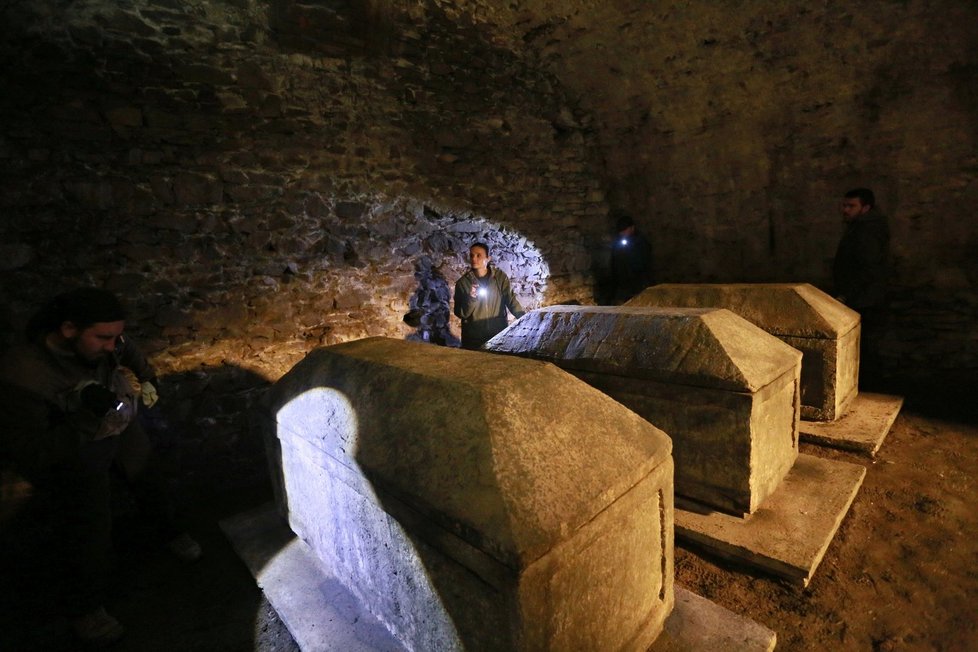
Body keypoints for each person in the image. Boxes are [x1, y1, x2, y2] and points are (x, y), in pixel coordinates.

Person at [0, 287, 200, 647]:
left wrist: (147, 376)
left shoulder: (108, 345)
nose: (112, 346)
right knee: (89, 522)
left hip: (118, 426)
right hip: (80, 446)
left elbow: (127, 349)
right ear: (68, 330)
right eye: (103, 337)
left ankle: (170, 532)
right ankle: (86, 608)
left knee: (149, 479)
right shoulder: (25, 375)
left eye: (115, 336)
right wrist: (82, 425)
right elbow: (33, 451)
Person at [833, 187, 891, 387]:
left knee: (865, 346)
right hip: (864, 296)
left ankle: (870, 386)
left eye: (851, 206)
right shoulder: (862, 227)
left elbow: (867, 266)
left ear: (865, 208)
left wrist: (846, 295)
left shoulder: (866, 230)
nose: (845, 210)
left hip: (864, 299)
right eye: (844, 205)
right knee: (864, 346)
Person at [453, 242, 526, 349]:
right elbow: (461, 313)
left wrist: (524, 320)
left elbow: (510, 300)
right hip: (473, 338)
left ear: (488, 258)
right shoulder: (463, 283)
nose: (474, 259)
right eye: (472, 255)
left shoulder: (500, 277)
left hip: (497, 334)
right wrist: (472, 299)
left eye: (479, 255)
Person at [610, 211, 653, 303]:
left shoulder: (640, 242)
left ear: (632, 228)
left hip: (638, 282)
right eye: (622, 230)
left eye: (625, 229)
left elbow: (644, 262)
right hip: (623, 282)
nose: (623, 233)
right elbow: (615, 262)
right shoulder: (618, 242)